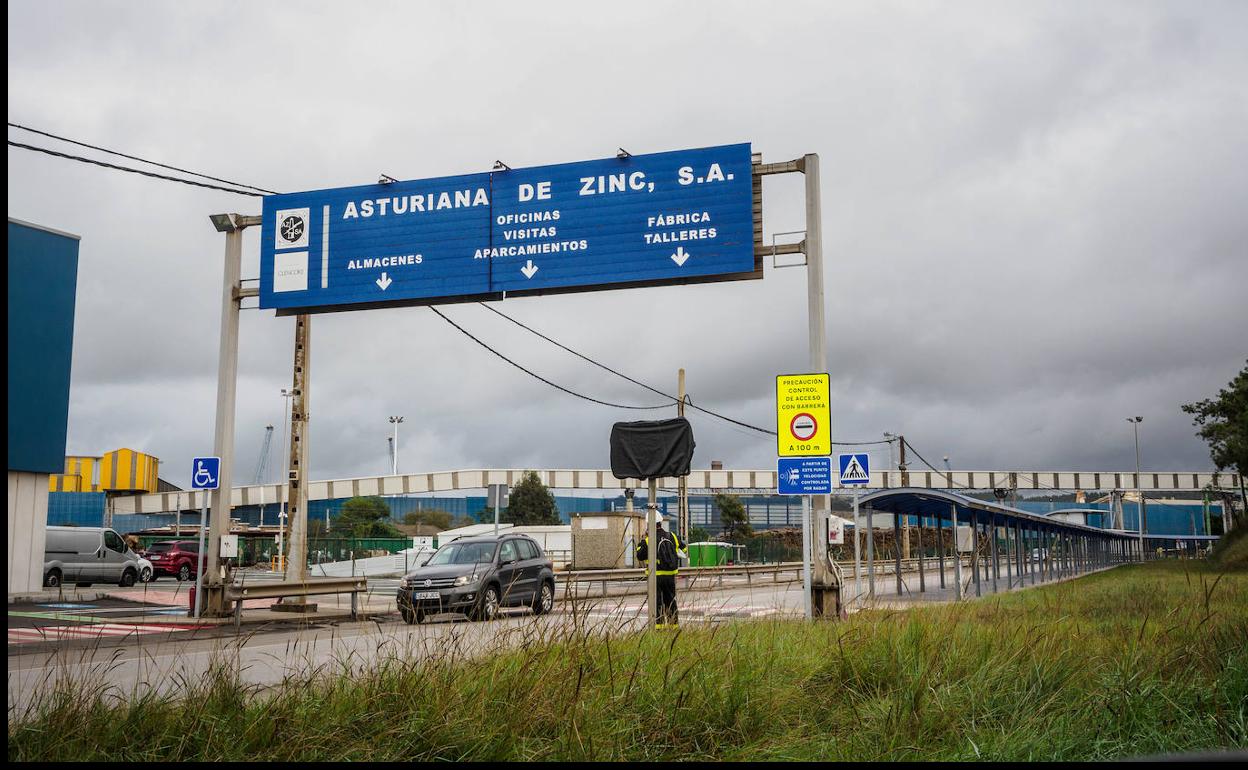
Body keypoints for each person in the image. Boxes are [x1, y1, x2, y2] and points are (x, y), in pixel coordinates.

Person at [636, 512, 686, 628]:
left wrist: (643, 540)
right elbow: (684, 549)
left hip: (655, 576)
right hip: (670, 576)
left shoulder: (648, 540)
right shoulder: (672, 536)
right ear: (661, 522)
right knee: (671, 602)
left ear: (648, 525)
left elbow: (640, 556)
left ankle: (659, 628)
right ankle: (673, 627)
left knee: (657, 603)